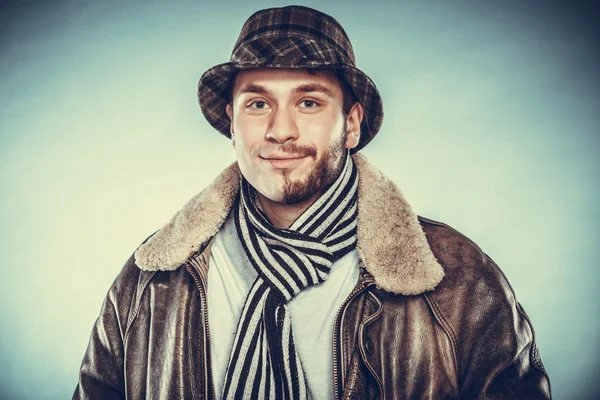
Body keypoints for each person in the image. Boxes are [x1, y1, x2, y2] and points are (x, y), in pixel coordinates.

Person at [73, 5, 551, 400]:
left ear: (351, 123)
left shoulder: (459, 281)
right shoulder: (149, 282)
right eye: (258, 104)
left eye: (309, 102)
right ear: (232, 124)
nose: (281, 130)